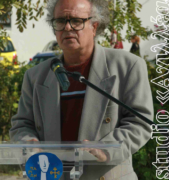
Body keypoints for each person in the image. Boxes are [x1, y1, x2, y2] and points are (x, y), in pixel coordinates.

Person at [9, 0, 154, 179]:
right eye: (60, 21)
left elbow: (140, 122)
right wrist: (28, 143)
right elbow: (22, 125)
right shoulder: (35, 76)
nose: (67, 28)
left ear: (94, 27)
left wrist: (106, 148)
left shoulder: (128, 66)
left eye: (76, 21)